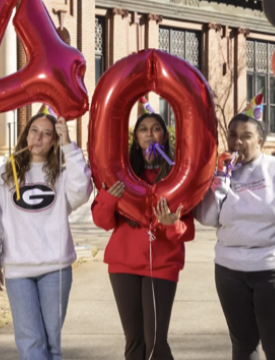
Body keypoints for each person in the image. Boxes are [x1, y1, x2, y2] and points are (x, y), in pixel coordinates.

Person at [194, 113, 275, 360]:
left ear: (260, 141)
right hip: (230, 270)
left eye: (246, 136)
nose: (237, 142)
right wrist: (220, 181)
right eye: (233, 135)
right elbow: (207, 217)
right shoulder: (222, 173)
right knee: (243, 347)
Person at [0, 111, 93, 360]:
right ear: (25, 134)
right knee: (30, 342)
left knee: (51, 343)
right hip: (18, 271)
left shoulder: (63, 175)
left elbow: (83, 191)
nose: (39, 137)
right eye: (34, 130)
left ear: (54, 141)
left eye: (47, 133)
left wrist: (68, 145)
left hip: (56, 269)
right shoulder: (6, 174)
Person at [91, 112, 194, 360]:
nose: (150, 133)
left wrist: (172, 224)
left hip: (161, 264)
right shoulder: (121, 174)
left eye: (156, 128)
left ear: (165, 136)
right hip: (123, 264)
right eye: (143, 129)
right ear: (135, 139)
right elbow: (102, 222)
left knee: (156, 343)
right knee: (134, 342)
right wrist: (108, 197)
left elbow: (187, 230)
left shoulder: (178, 177)